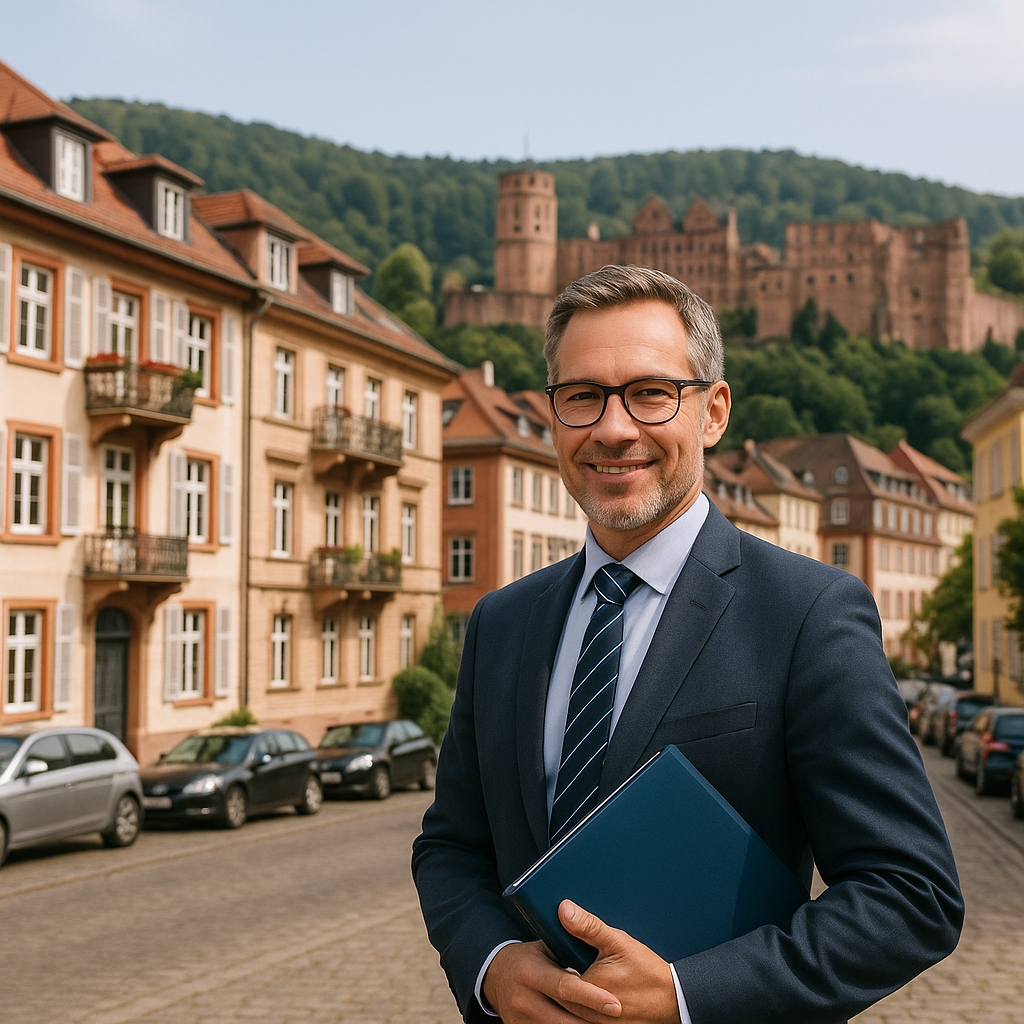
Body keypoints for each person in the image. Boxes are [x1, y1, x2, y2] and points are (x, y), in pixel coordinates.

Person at [412, 265, 963, 1024]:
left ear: (713, 412)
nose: (613, 428)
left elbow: (911, 896)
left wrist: (685, 997)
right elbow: (451, 846)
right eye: (582, 397)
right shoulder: (501, 621)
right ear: (553, 415)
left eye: (650, 392)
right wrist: (492, 965)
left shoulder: (809, 613)